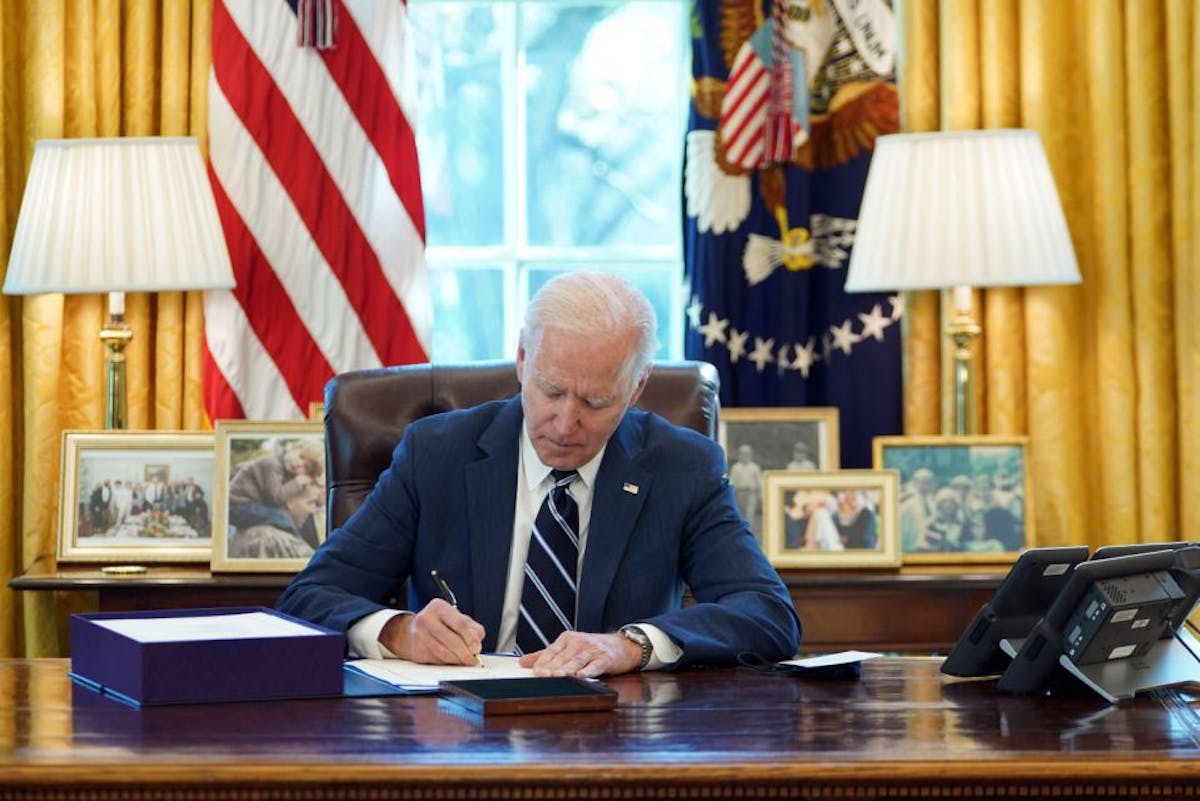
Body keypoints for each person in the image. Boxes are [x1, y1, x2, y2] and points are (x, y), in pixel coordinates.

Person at [276, 271, 801, 678]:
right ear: (524, 360)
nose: (566, 422)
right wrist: (399, 631)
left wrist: (631, 644)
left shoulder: (681, 467)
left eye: (596, 401)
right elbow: (309, 597)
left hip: (616, 740)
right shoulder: (436, 453)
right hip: (456, 736)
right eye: (551, 390)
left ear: (637, 388)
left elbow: (767, 614)